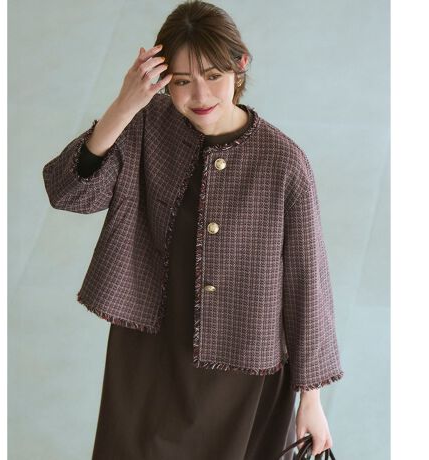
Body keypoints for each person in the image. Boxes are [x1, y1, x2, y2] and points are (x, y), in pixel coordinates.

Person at [43, 1, 344, 458]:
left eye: (213, 76)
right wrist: (124, 106)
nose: (200, 95)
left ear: (241, 65)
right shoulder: (145, 125)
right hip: (149, 352)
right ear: (162, 79)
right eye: (182, 81)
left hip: (243, 369)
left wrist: (312, 399)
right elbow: (67, 193)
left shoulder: (284, 163)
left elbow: (308, 283)